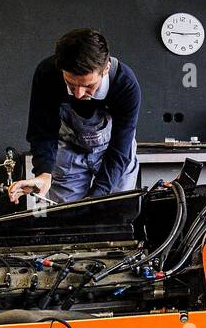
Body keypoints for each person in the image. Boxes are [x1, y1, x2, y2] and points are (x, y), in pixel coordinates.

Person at [8, 28, 141, 204]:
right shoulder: (47, 73)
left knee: (113, 212)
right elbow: (42, 130)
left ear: (106, 68)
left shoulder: (125, 83)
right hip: (69, 150)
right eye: (70, 83)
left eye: (89, 86)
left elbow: (120, 146)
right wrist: (44, 174)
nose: (78, 94)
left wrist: (97, 196)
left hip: (112, 151)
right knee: (68, 216)